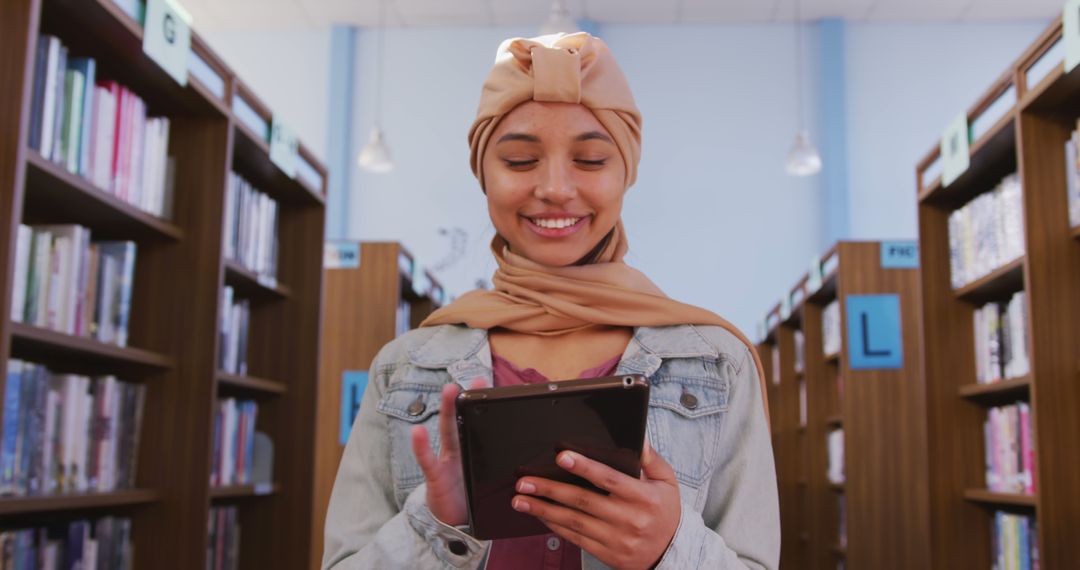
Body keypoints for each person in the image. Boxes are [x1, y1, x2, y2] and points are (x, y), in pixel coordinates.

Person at [322, 32, 779, 570]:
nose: (556, 188)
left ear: (625, 173)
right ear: (483, 175)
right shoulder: (405, 367)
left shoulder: (716, 362)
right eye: (519, 161)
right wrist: (436, 527)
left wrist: (669, 550)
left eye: (589, 159)